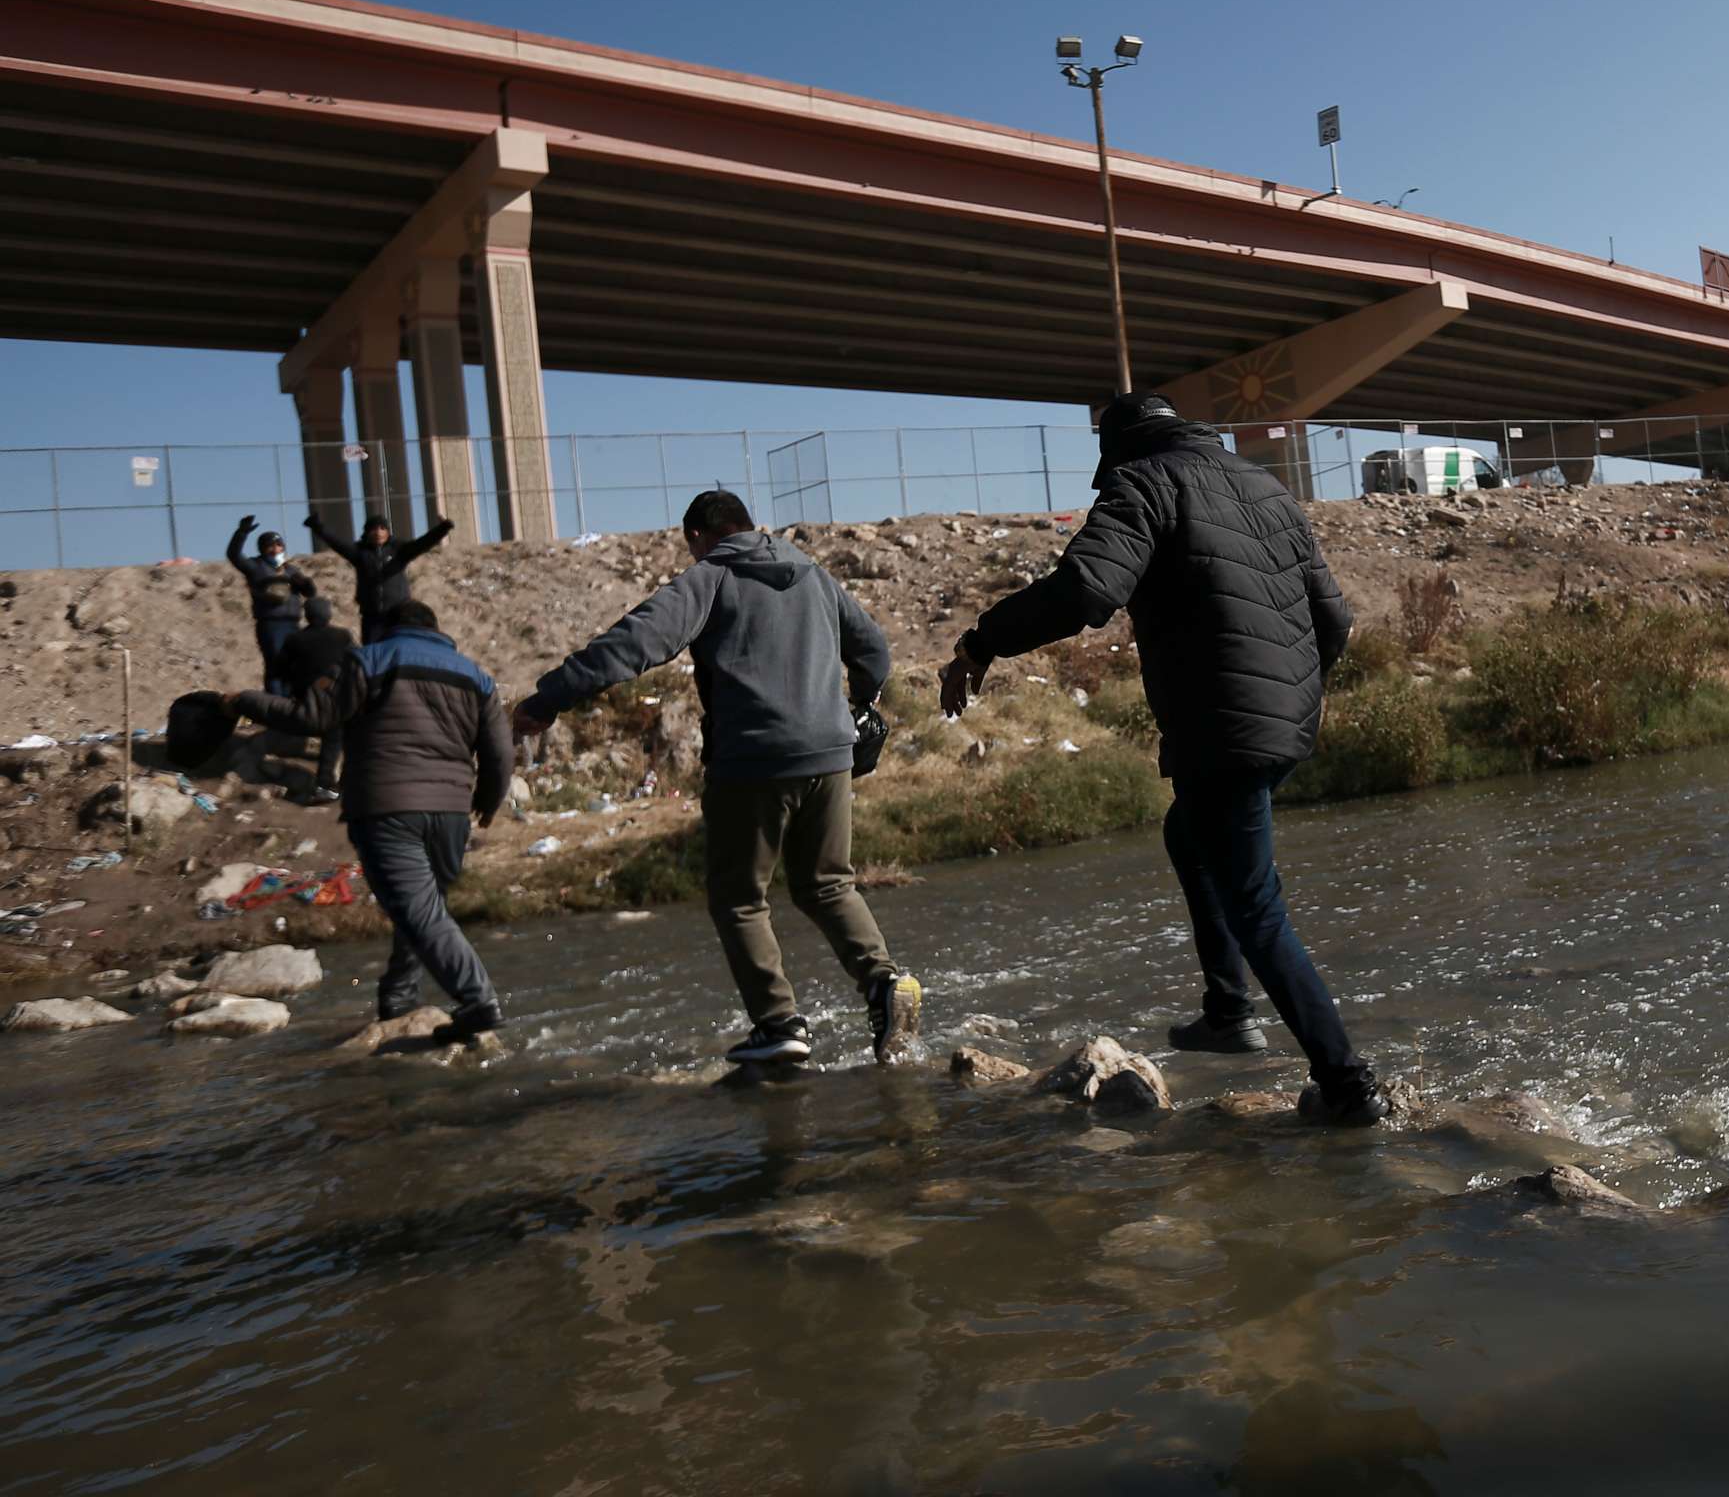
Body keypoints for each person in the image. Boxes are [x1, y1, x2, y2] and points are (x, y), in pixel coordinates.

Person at [940, 391, 1391, 1126]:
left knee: (1257, 906)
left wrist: (981, 641)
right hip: (1283, 720)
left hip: (1221, 726)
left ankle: (1347, 1084)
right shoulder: (1263, 484)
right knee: (1189, 832)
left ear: (1118, 450)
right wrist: (1292, 698)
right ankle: (1227, 1009)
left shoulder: (1143, 481)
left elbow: (1087, 588)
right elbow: (1334, 620)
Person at [511, 490, 912, 1067]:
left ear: (699, 536)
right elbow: (873, 648)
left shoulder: (712, 576)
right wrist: (856, 705)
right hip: (830, 756)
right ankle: (882, 982)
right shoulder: (812, 574)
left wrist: (550, 698)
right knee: (828, 885)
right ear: (750, 524)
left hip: (752, 760)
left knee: (740, 898)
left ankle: (778, 1026)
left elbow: (635, 643)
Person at [231, 599, 511, 1035]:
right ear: (436, 630)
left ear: (388, 627)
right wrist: (488, 801)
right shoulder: (474, 674)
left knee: (419, 912)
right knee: (422, 909)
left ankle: (479, 1000)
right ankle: (398, 999)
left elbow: (311, 716)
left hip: (387, 807)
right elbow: (499, 750)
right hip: (453, 812)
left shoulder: (368, 660)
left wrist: (242, 701)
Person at [307, 509, 454, 645]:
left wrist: (443, 528)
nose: (378, 532)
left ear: (388, 532)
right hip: (372, 617)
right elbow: (337, 543)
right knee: (373, 651)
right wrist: (317, 526)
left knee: (399, 648)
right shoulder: (360, 553)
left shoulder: (399, 550)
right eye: (374, 529)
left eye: (382, 528)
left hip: (398, 615)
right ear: (367, 532)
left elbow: (423, 543)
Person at [224, 516, 315, 696]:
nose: (275, 550)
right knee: (276, 663)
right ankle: (276, 701)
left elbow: (311, 592)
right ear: (262, 548)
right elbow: (234, 555)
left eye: (278, 545)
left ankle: (291, 701)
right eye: (270, 546)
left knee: (293, 664)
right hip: (271, 623)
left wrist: (305, 583)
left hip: (293, 623)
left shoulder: (290, 569)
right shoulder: (255, 567)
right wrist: (241, 533)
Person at [279, 596, 357, 802]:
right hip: (336, 698)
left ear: (307, 615)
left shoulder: (294, 639)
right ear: (328, 614)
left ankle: (326, 785)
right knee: (337, 735)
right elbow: (357, 661)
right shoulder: (342, 635)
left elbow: (280, 670)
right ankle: (328, 783)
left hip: (305, 701)